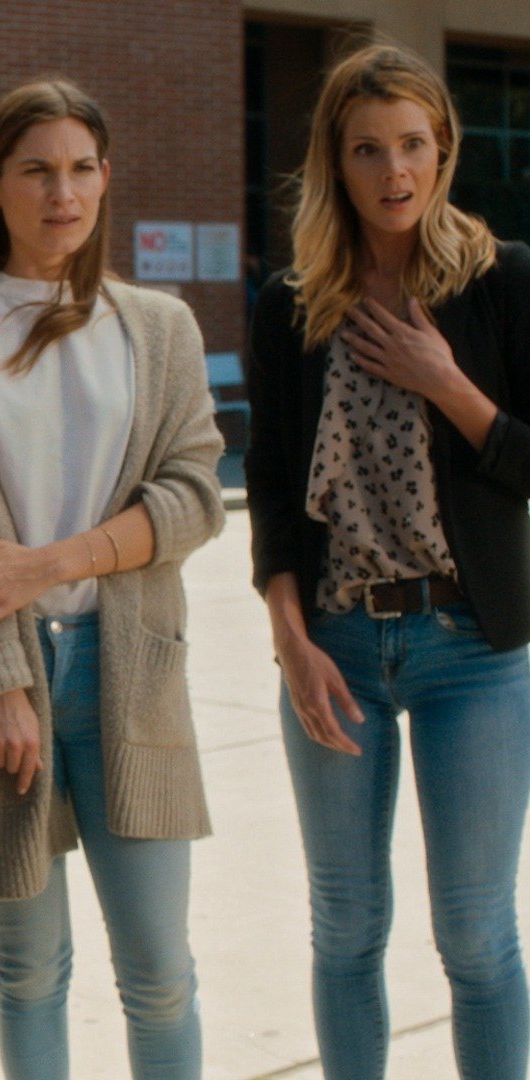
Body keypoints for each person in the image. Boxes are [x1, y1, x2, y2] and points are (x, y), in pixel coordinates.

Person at [0, 79, 224, 1080]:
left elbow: (196, 496)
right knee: (29, 969)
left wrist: (51, 563)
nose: (62, 193)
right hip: (8, 679)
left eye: (80, 169)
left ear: (106, 179)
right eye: (36, 171)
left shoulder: (158, 328)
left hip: (131, 671)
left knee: (160, 972)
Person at [245, 43, 530, 1080]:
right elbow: (274, 493)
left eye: (412, 144)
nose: (393, 170)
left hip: (473, 650)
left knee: (477, 936)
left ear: (444, 148)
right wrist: (290, 643)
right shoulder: (292, 303)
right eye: (368, 149)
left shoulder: (503, 282)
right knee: (346, 928)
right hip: (338, 647)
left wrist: (444, 380)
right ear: (337, 159)